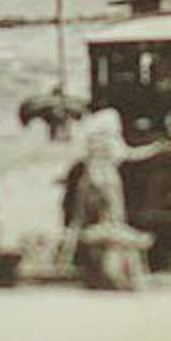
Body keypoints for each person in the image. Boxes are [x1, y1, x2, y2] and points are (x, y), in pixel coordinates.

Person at [61, 110, 152, 291]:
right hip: (105, 185)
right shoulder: (107, 148)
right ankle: (116, 273)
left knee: (94, 226)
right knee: (114, 227)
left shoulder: (94, 150)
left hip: (96, 185)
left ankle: (78, 262)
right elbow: (127, 154)